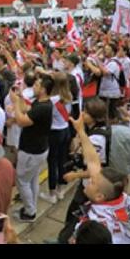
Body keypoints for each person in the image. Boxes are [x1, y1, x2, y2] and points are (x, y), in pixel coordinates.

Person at [67, 113, 130, 244]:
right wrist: (81, 130)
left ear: (99, 197)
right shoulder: (124, 199)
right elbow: (93, 162)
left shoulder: (95, 222)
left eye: (92, 183)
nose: (89, 180)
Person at [10, 74, 53, 222]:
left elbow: (21, 120)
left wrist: (15, 103)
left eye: (36, 85)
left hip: (31, 151)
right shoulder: (42, 103)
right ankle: (31, 206)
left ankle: (29, 212)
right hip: (38, 148)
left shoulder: (42, 107)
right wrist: (20, 97)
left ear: (43, 89)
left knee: (22, 181)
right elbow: (27, 109)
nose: (33, 87)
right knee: (32, 179)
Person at [42, 71, 73, 204]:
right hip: (65, 129)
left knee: (52, 162)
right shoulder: (69, 96)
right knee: (62, 160)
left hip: (54, 132)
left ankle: (52, 193)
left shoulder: (52, 100)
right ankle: (61, 190)